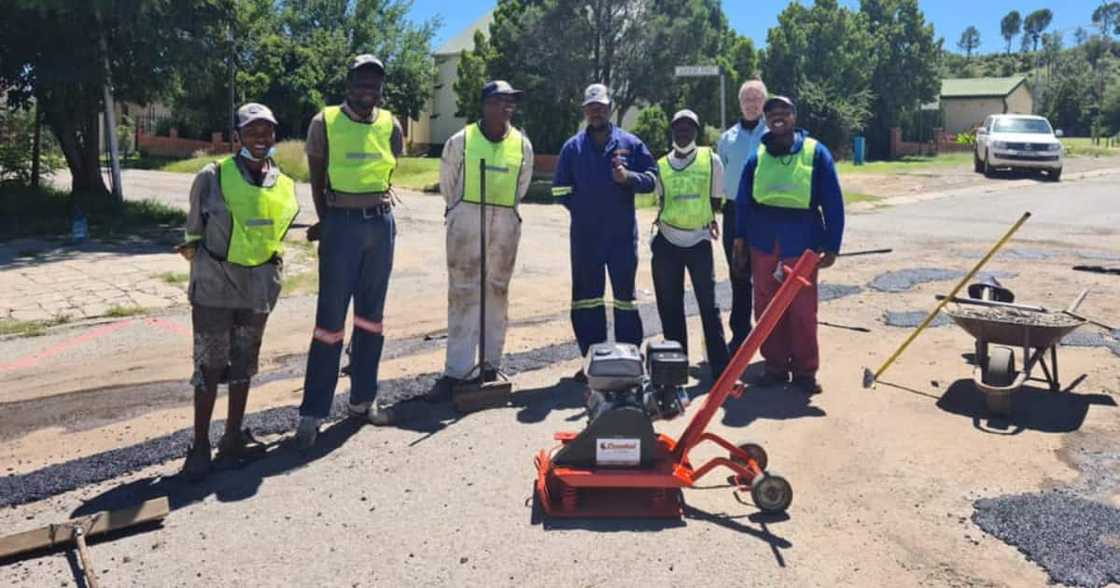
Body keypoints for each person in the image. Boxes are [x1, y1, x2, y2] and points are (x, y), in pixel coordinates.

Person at [178, 103, 299, 480]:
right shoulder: (211, 177)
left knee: (245, 362)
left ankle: (232, 437)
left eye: (267, 131)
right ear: (236, 138)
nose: (261, 138)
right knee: (210, 365)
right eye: (252, 131)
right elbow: (193, 232)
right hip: (215, 287)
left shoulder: (282, 183)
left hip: (257, 289)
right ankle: (200, 445)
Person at [297, 54, 404, 447]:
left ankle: (363, 401)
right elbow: (316, 176)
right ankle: (312, 413)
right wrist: (327, 222)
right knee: (329, 320)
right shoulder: (323, 121)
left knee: (371, 319)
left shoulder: (391, 123)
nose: (367, 90)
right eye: (360, 83)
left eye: (374, 84)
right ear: (348, 85)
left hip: (381, 223)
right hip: (341, 224)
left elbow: (390, 169)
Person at [427, 80, 534, 401]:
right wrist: (462, 210)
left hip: (505, 221)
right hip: (466, 218)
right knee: (463, 293)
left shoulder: (522, 145)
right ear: (485, 105)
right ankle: (457, 371)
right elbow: (448, 185)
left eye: (511, 102)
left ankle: (490, 366)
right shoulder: (461, 142)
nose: (507, 107)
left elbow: (521, 186)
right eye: (501, 101)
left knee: (497, 292)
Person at [732, 96, 845, 395]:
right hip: (763, 241)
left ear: (794, 117)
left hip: (802, 242)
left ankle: (806, 372)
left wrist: (831, 245)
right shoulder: (757, 156)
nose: (777, 117)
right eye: (771, 113)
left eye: (784, 111)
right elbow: (743, 201)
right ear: (766, 120)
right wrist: (740, 240)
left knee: (803, 310)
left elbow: (833, 201)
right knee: (766, 309)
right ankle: (775, 367)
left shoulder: (815, 153)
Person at [552, 83, 657, 377]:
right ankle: (592, 361)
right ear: (585, 111)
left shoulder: (631, 144)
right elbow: (560, 189)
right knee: (587, 299)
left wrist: (629, 178)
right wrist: (584, 210)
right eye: (591, 107)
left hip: (621, 237)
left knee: (625, 298)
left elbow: (652, 179)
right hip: (586, 238)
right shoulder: (572, 148)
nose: (596, 111)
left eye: (601, 106)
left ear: (609, 108)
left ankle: (628, 358)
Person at [650, 109, 729, 379]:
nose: (683, 131)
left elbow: (716, 200)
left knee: (709, 305)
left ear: (697, 131)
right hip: (667, 241)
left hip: (699, 242)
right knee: (670, 306)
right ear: (672, 131)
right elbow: (660, 201)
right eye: (678, 127)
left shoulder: (712, 159)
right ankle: (675, 369)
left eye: (689, 127)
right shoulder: (660, 165)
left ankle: (721, 369)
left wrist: (704, 221)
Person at [717, 80, 768, 355]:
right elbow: (719, 175)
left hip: (764, 212)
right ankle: (741, 335)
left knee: (766, 273)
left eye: (756, 98)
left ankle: (769, 335)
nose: (751, 103)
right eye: (747, 99)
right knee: (738, 273)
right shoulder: (727, 139)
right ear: (740, 103)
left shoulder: (773, 134)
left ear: (764, 102)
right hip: (735, 212)